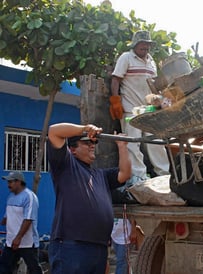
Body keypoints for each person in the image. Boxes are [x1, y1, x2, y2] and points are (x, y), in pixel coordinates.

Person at [46, 122, 131, 274]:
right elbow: (53, 131)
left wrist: (122, 146)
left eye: (94, 142)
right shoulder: (66, 165)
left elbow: (125, 173)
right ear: (72, 150)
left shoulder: (101, 175)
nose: (92, 145)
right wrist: (84, 129)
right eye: (86, 142)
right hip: (71, 246)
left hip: (98, 248)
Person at [110, 30, 170, 183]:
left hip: (148, 109)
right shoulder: (126, 58)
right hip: (130, 108)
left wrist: (159, 101)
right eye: (142, 46)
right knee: (133, 144)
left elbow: (153, 86)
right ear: (135, 45)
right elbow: (116, 79)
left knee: (156, 142)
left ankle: (164, 176)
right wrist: (115, 100)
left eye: (147, 46)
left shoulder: (151, 62)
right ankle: (138, 178)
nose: (145, 49)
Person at [0, 171, 42, 274]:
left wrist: (18, 238)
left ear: (19, 182)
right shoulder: (10, 197)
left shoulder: (29, 196)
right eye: (8, 182)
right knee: (4, 268)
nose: (8, 185)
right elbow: (7, 217)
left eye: (10, 182)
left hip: (27, 243)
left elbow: (28, 219)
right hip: (11, 242)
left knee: (34, 269)